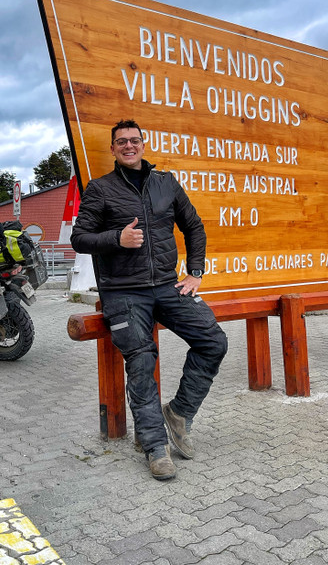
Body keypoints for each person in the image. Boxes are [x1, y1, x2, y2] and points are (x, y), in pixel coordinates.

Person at [71, 119, 228, 480]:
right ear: (113, 149)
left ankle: (179, 413)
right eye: (121, 142)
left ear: (143, 145)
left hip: (168, 286)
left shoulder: (165, 183)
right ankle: (156, 447)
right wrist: (116, 239)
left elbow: (194, 226)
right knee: (141, 361)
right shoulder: (100, 189)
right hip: (123, 291)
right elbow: (80, 238)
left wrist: (195, 272)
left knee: (213, 341)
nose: (129, 146)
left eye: (134, 140)